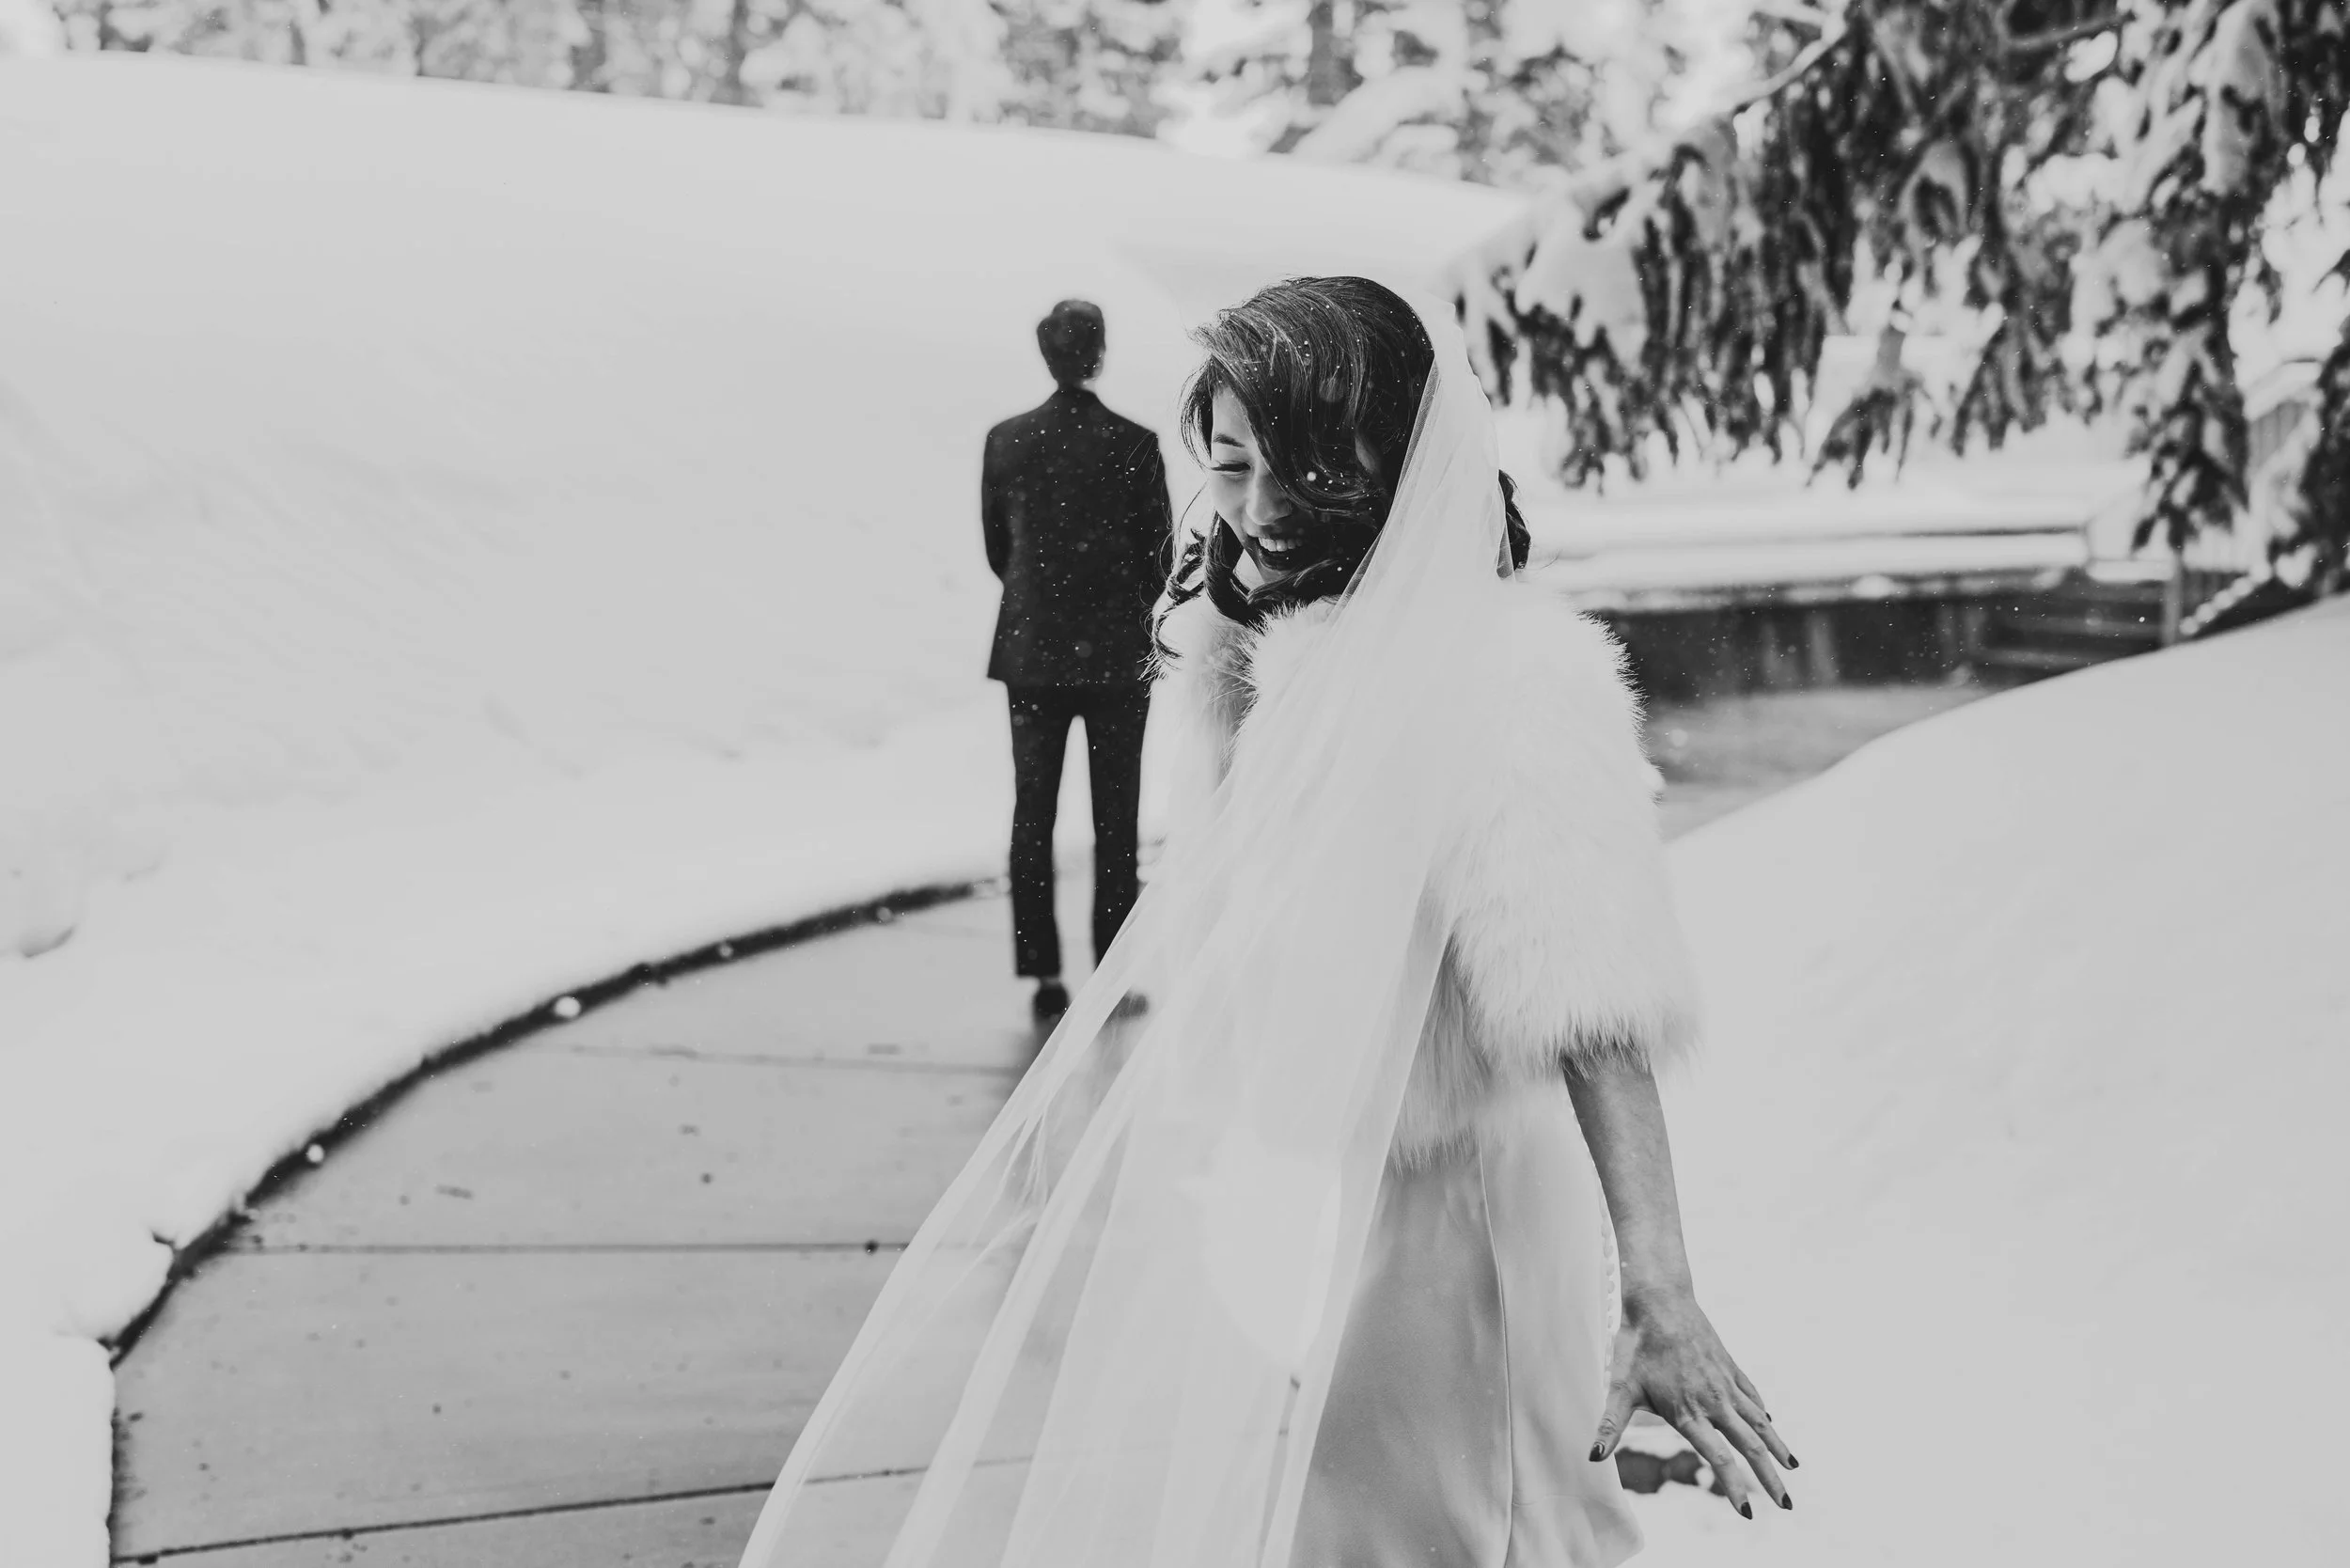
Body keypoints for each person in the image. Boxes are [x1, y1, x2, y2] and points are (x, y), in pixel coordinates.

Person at [739, 278, 1791, 1568]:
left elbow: (1596, 1009)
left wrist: (1661, 1289)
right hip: (1343, 1213)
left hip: (1467, 1220)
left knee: (1466, 1535)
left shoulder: (1510, 675)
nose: (1237, 505)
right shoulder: (1279, 659)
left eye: (1263, 464)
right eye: (1222, 467)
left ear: (1356, 459)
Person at [981, 299, 1172, 1023]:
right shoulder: (1134, 444)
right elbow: (1159, 556)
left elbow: (999, 549)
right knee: (1115, 820)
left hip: (1031, 653)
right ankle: (1112, 974)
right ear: (1099, 353)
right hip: (1116, 661)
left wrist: (1044, 598)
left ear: (1046, 353)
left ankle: (1042, 972)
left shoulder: (1008, 441)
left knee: (1032, 812)